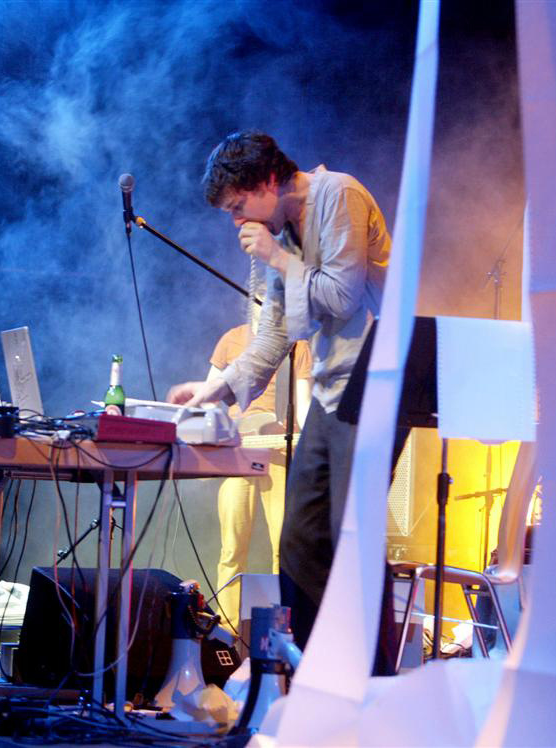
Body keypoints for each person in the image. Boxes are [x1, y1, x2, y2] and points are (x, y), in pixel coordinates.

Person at [167, 130, 397, 660]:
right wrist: (217, 387)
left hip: (375, 379)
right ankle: (314, 671)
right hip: (332, 390)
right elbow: (271, 331)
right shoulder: (278, 235)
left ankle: (374, 681)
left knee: (350, 535)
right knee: (298, 538)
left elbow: (342, 295)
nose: (237, 221)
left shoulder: (338, 194)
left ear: (268, 179)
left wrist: (277, 256)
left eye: (238, 205)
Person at [208, 302, 311, 636]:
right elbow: (211, 398)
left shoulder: (298, 345)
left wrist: (304, 441)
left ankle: (283, 628)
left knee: (284, 546)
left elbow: (305, 405)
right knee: (232, 546)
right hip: (240, 455)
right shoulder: (232, 340)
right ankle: (226, 628)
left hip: (278, 454)